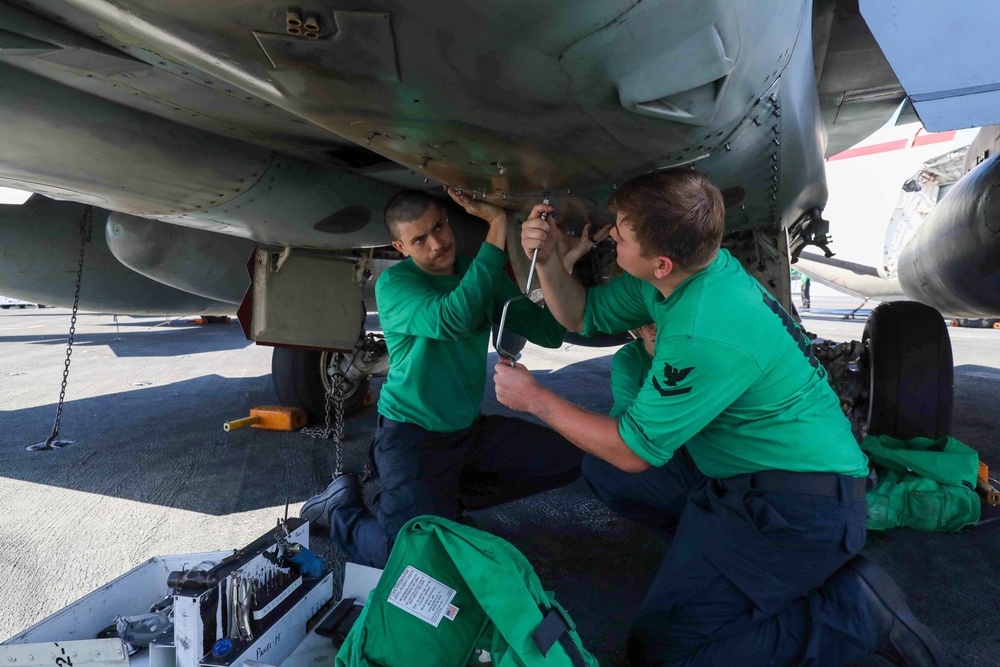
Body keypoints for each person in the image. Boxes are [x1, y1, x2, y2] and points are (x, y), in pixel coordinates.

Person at [493, 170, 945, 666]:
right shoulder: (688, 273)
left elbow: (632, 451)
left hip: (798, 507)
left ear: (661, 262)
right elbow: (581, 316)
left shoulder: (701, 331)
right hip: (746, 480)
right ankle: (720, 566)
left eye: (620, 233)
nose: (609, 235)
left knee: (666, 651)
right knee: (599, 467)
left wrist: (536, 399)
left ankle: (849, 611)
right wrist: (553, 260)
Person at [299, 188, 585, 569]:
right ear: (401, 247)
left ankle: (440, 503)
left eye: (438, 227)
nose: (436, 244)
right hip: (412, 436)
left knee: (567, 459)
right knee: (410, 557)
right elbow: (455, 318)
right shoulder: (396, 285)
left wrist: (555, 267)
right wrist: (498, 225)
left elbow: (551, 334)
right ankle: (339, 509)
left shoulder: (477, 273)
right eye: (420, 239)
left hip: (467, 433)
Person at [609, 323, 656, 418]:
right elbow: (631, 410)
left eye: (661, 325)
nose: (655, 332)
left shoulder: (684, 355)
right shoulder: (627, 359)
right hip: (630, 426)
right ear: (640, 331)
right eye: (649, 326)